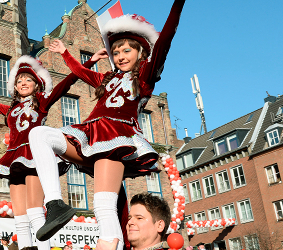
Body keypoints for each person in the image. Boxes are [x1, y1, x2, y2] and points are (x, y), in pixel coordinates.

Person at [27, 1, 186, 249]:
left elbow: (166, 38)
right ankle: (55, 205)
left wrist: (178, 5)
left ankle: (110, 243)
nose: (120, 56)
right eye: (117, 52)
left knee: (102, 206)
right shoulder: (107, 79)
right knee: (39, 134)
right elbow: (81, 72)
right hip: (89, 136)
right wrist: (65, 52)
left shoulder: (144, 76)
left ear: (141, 53)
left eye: (126, 51)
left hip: (115, 138)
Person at [0, 53, 98, 250]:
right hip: (14, 160)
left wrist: (90, 62)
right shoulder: (10, 109)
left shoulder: (41, 101)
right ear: (14, 87)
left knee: (35, 209)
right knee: (19, 215)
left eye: (28, 79)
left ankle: (44, 247)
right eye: (19, 80)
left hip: (33, 156)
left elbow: (65, 84)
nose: (23, 83)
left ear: (37, 84)